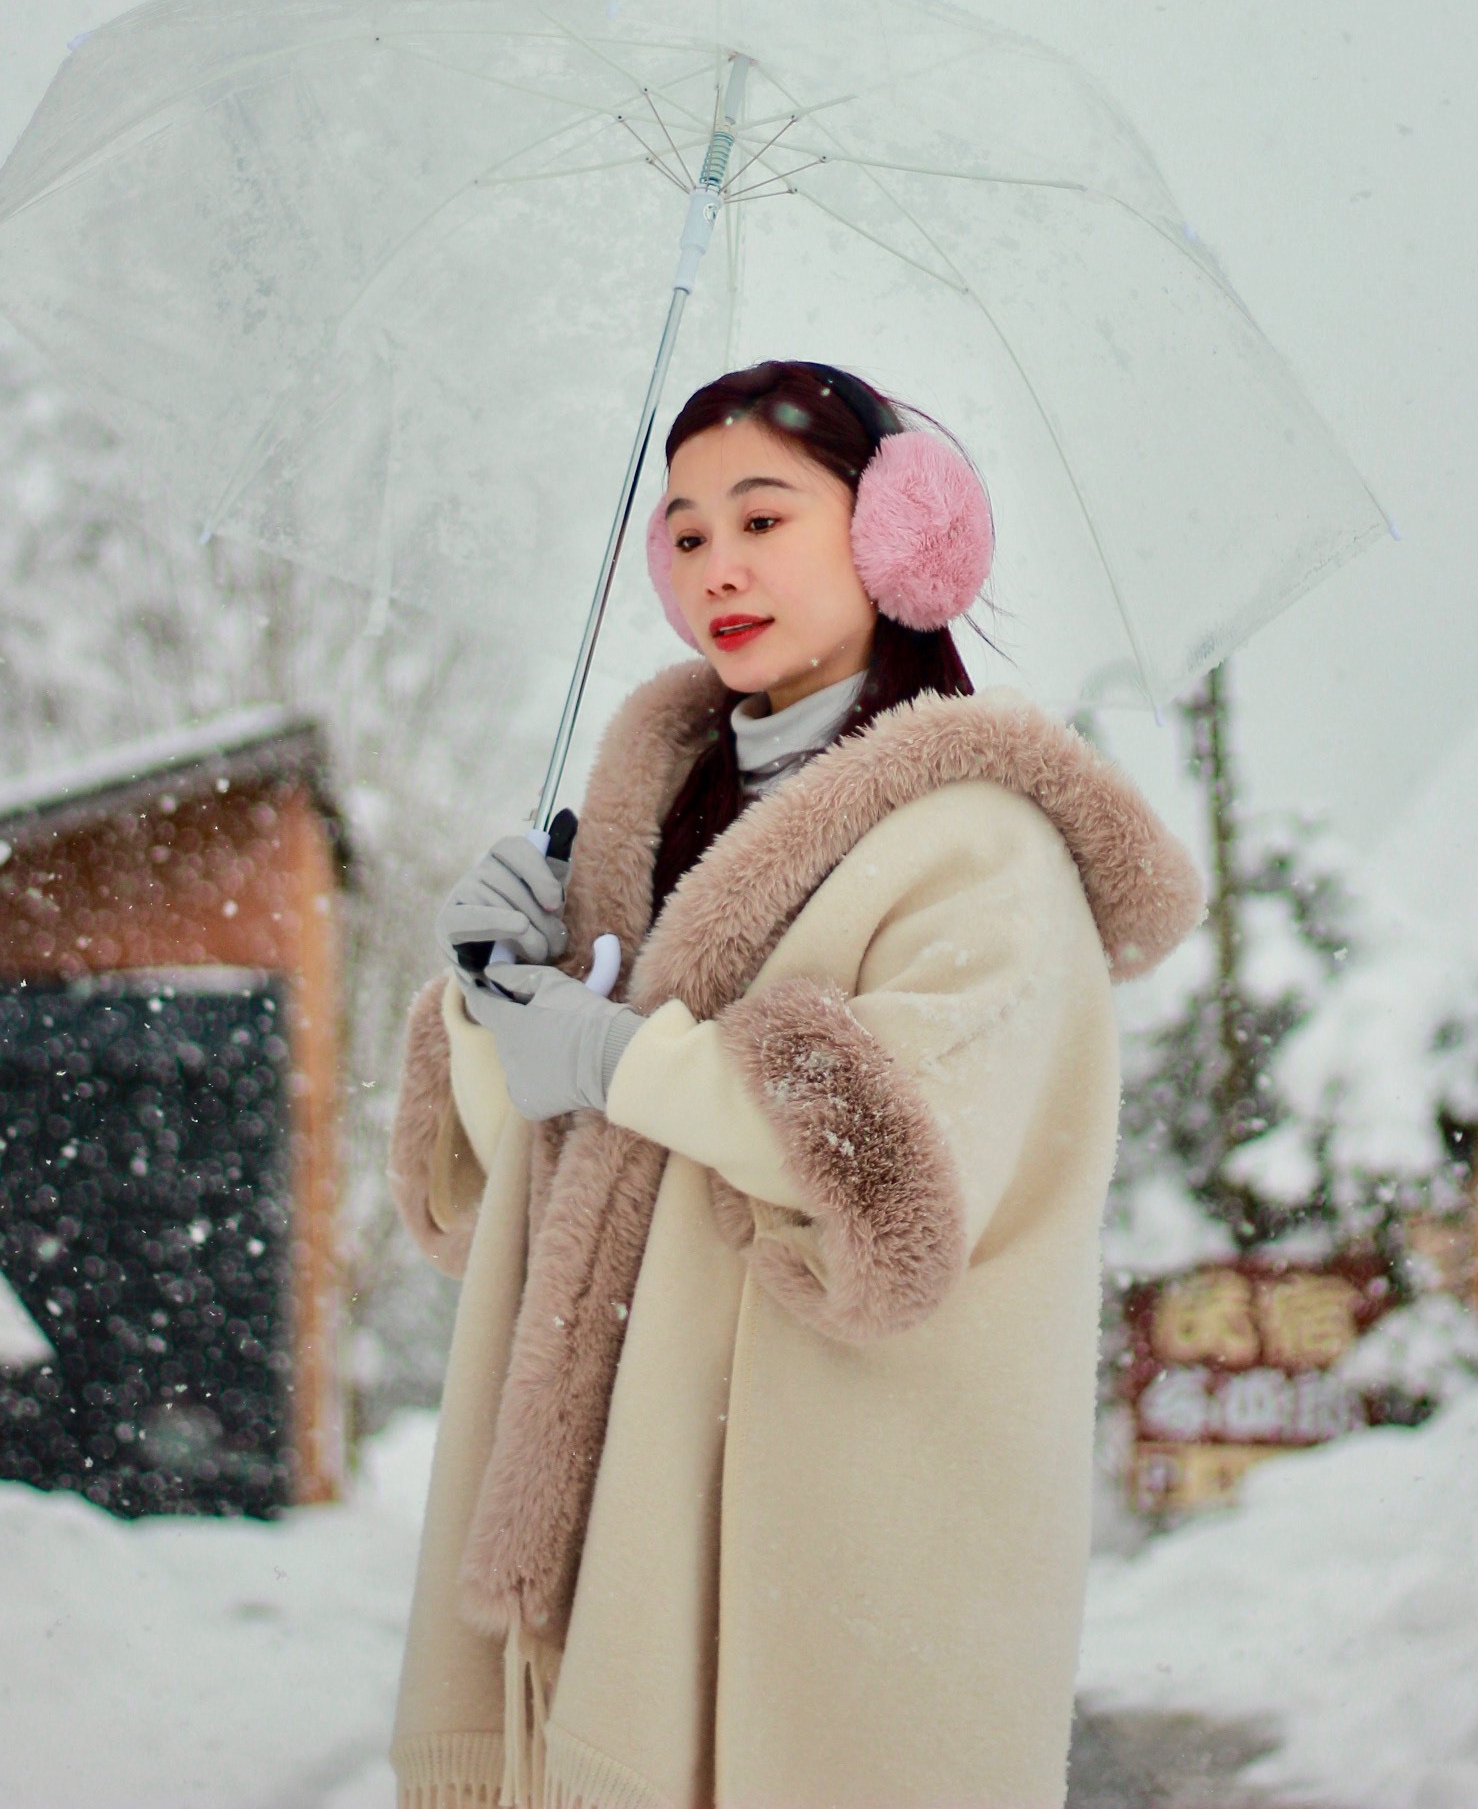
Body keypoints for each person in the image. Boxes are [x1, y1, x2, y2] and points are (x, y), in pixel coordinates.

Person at [387, 360, 1203, 1809]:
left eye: (765, 518)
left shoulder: (981, 849)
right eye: (687, 534)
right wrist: (488, 993)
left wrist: (626, 1056)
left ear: (902, 537)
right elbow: (521, 1191)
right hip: (630, 1497)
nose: (721, 568)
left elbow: (901, 1162)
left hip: (838, 1524)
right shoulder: (645, 836)